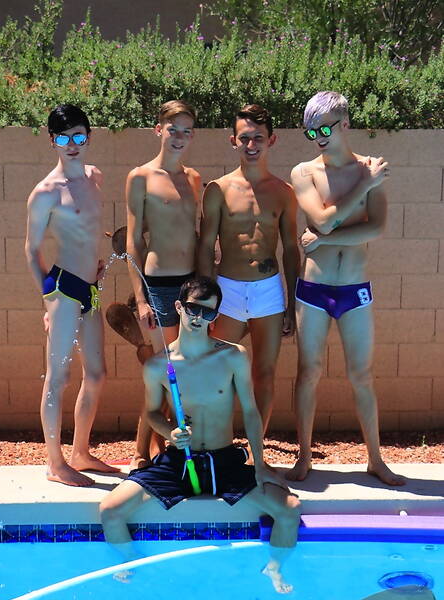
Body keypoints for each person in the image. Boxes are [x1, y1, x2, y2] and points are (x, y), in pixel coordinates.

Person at [100, 276, 301, 594]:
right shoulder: (158, 365)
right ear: (179, 307)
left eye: (208, 312)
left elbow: (250, 411)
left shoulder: (233, 356)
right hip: (180, 461)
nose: (199, 318)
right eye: (193, 309)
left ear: (215, 316)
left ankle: (273, 569)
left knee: (289, 510)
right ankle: (133, 565)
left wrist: (260, 463)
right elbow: (151, 412)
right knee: (110, 511)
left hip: (224, 461)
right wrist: (170, 432)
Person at [286, 91, 404, 486]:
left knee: (362, 375)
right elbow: (322, 219)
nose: (318, 137)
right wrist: (364, 186)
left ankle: (375, 459)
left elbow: (376, 228)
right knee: (308, 372)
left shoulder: (371, 168)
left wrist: (323, 240)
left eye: (324, 128)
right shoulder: (304, 172)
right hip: (314, 288)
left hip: (355, 288)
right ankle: (304, 456)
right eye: (311, 131)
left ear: (345, 124)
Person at [25, 104, 118, 486]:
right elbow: (32, 250)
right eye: (63, 138)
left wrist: (95, 266)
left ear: (89, 136)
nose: (72, 144)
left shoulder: (95, 177)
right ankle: (55, 463)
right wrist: (47, 301)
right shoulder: (46, 192)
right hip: (62, 289)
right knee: (58, 377)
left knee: (96, 374)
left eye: (78, 135)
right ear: (52, 141)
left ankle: (80, 452)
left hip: (89, 289)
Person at [197, 104, 300, 433]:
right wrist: (205, 299)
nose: (251, 145)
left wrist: (292, 303)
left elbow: (291, 249)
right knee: (215, 370)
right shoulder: (218, 189)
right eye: (244, 138)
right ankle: (218, 443)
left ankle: (257, 450)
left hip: (268, 291)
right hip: (227, 291)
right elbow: (205, 246)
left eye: (258, 138)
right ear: (233, 141)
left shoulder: (284, 193)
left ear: (272, 140)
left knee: (264, 374)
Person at [125, 100, 201, 469]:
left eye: (187, 131)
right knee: (165, 374)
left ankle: (164, 451)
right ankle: (142, 452)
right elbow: (133, 242)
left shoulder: (194, 178)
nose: (179, 137)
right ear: (159, 130)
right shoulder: (140, 176)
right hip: (159, 285)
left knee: (182, 374)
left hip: (191, 286)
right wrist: (141, 298)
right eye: (173, 129)